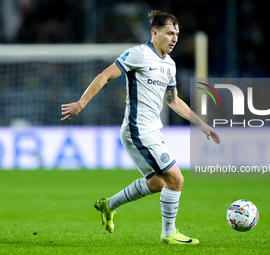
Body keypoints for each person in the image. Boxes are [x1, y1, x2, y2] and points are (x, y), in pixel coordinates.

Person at [61, 10, 220, 245]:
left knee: (157, 183)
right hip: (138, 130)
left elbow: (173, 100)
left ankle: (108, 205)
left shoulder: (170, 65)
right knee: (176, 179)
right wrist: (81, 103)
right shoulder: (139, 54)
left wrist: (201, 124)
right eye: (169, 33)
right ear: (155, 33)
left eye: (176, 33)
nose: (174, 38)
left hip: (153, 131)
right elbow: (105, 75)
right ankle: (169, 234)